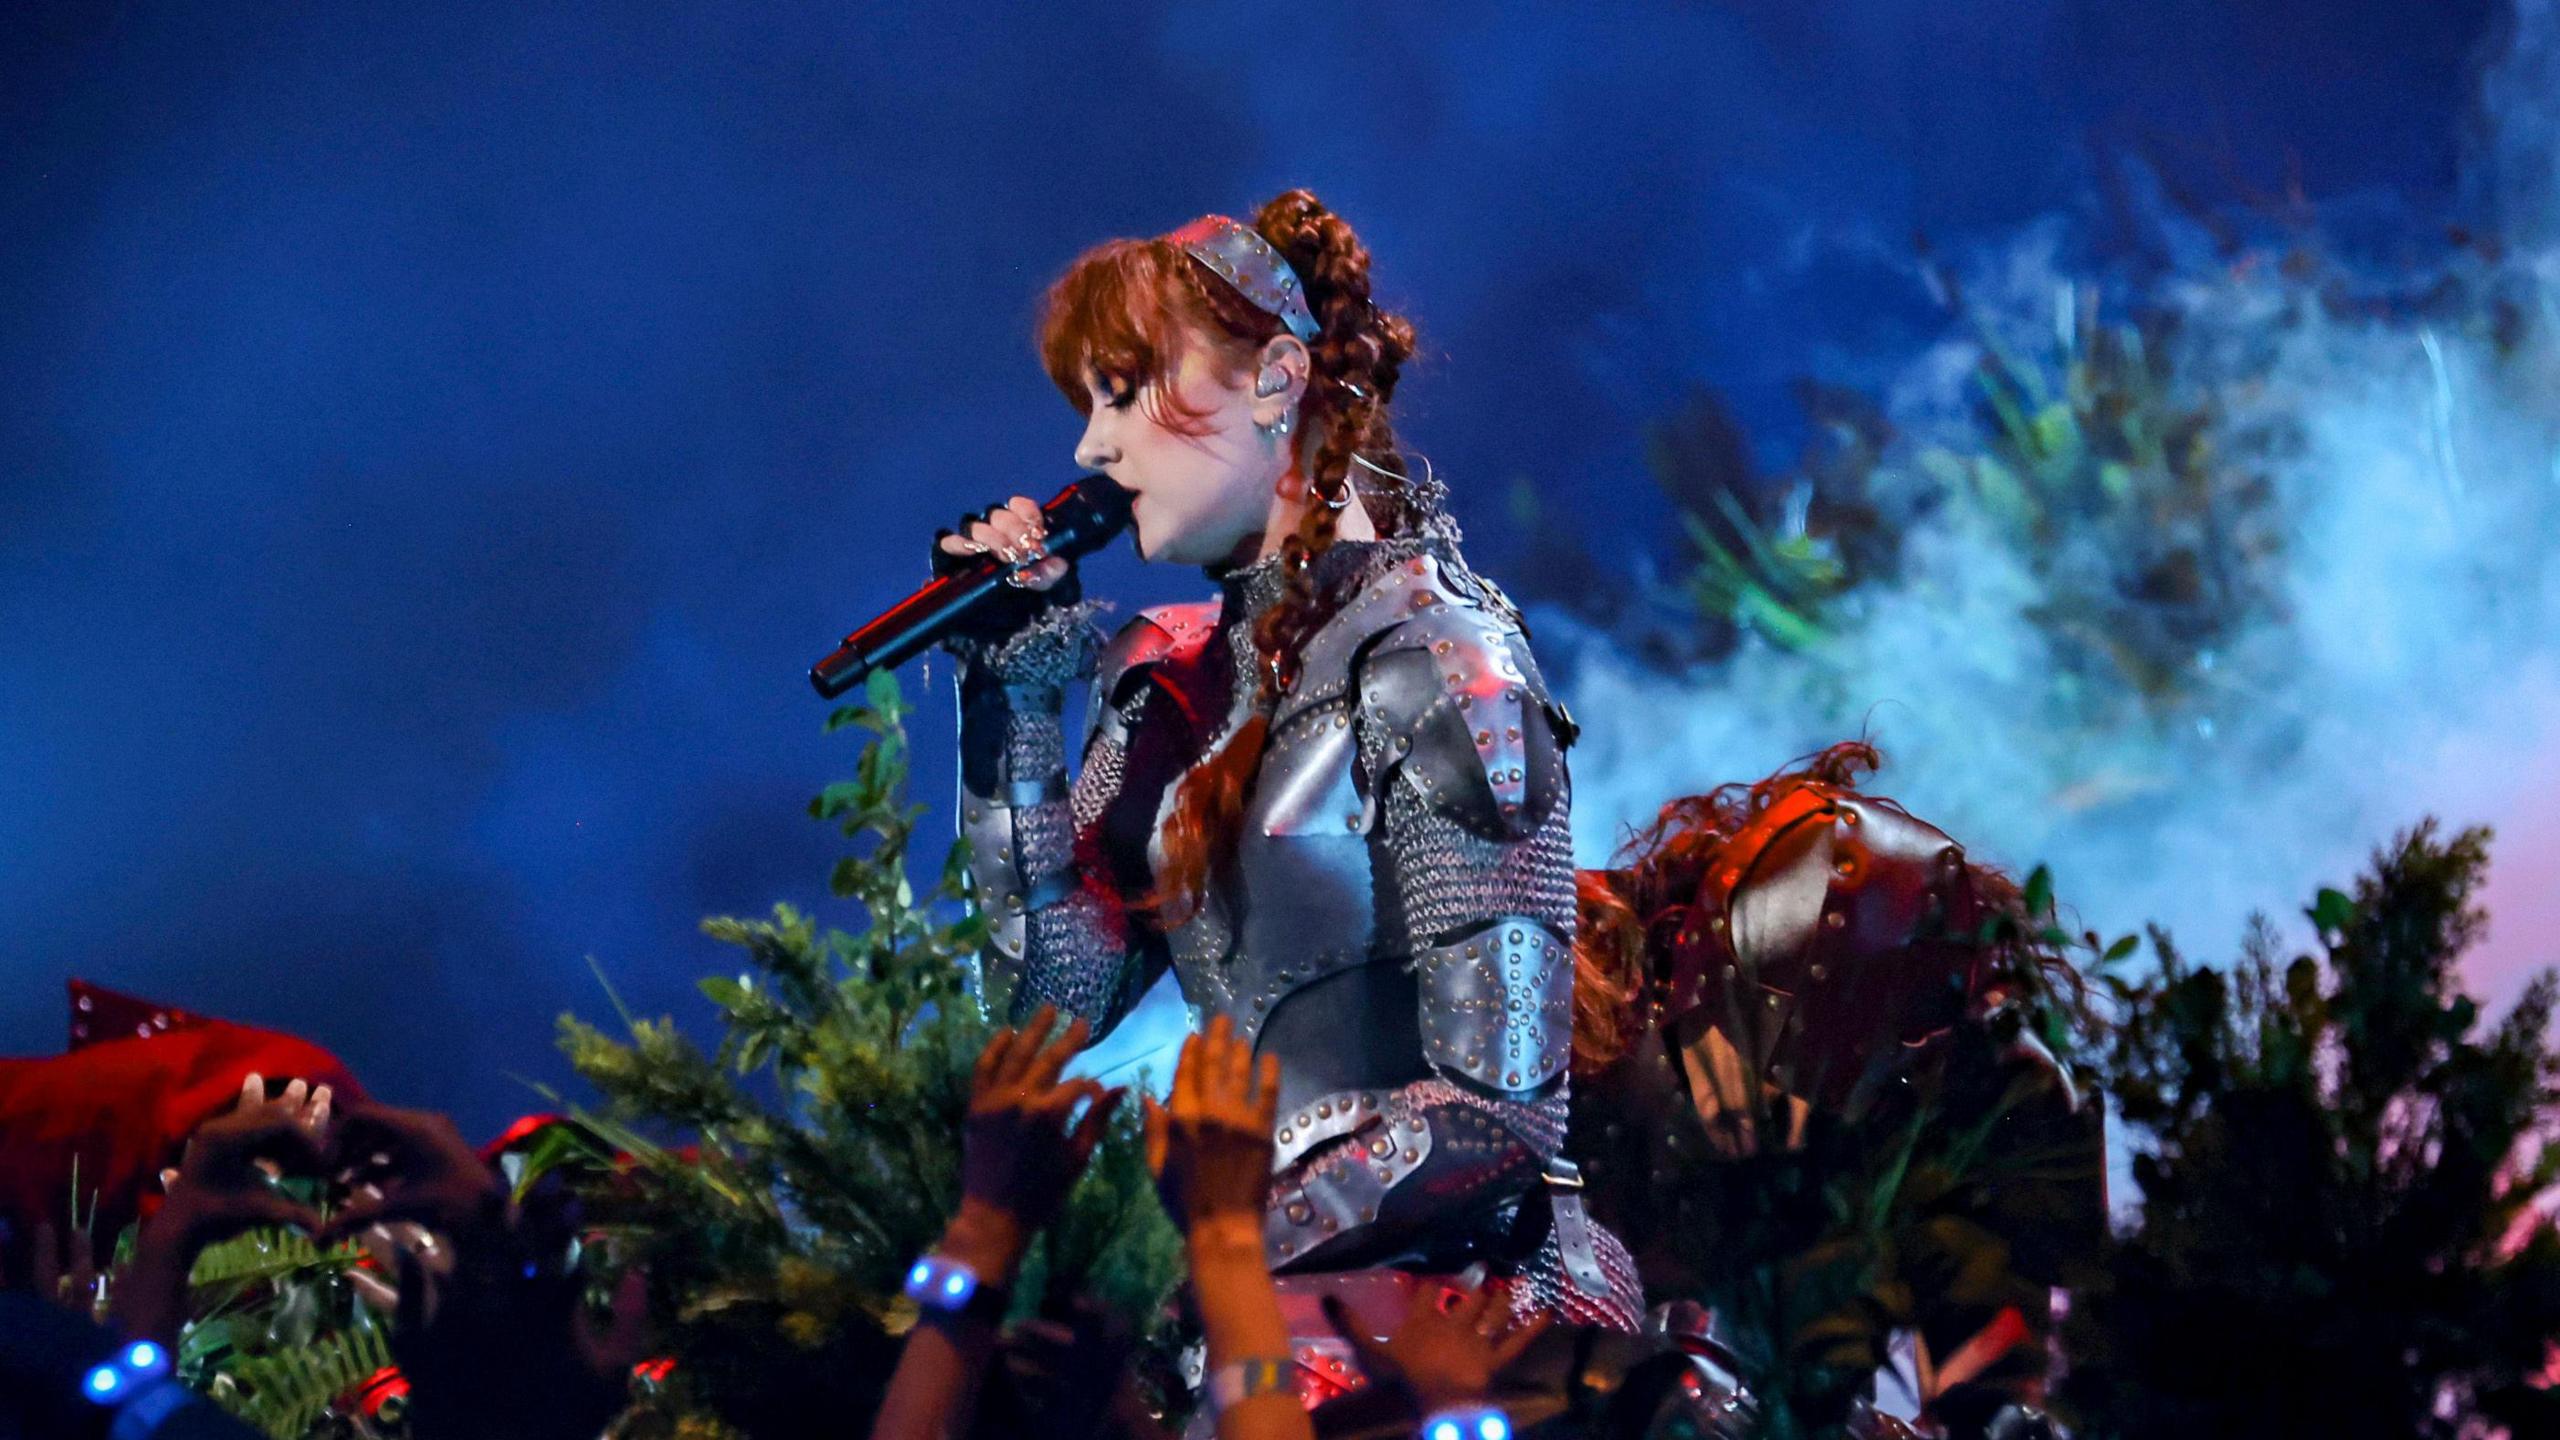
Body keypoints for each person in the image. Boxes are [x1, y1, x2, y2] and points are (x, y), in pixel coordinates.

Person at [939, 189, 1637, 1331]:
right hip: (1263, 1310)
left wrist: (1234, 1235)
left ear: (1275, 379)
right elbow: (1048, 998)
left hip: (1462, 1321)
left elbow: (1502, 1115)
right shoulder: (1165, 683)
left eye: (1124, 391)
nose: (1088, 446)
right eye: (1085, 404)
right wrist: (1010, 693)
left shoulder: (1443, 663)